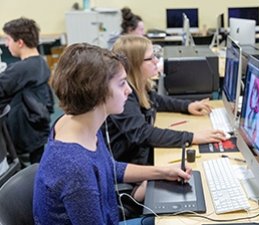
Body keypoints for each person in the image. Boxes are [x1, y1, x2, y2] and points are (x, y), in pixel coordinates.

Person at [33, 43, 191, 224]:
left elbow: (108, 166)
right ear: (96, 91)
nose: (129, 90)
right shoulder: (75, 167)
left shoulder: (76, 122)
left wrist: (161, 172)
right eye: (122, 83)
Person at [106, 35, 227, 165]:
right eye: (150, 58)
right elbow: (143, 134)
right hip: (131, 164)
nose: (156, 61)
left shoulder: (139, 85)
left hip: (141, 155)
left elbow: (157, 100)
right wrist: (192, 137)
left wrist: (187, 106)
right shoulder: (124, 96)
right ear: (135, 64)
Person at [0, 17, 54, 164]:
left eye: (8, 40)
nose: (6, 44)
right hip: (37, 132)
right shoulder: (40, 63)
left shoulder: (19, 70)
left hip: (21, 135)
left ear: (20, 42)